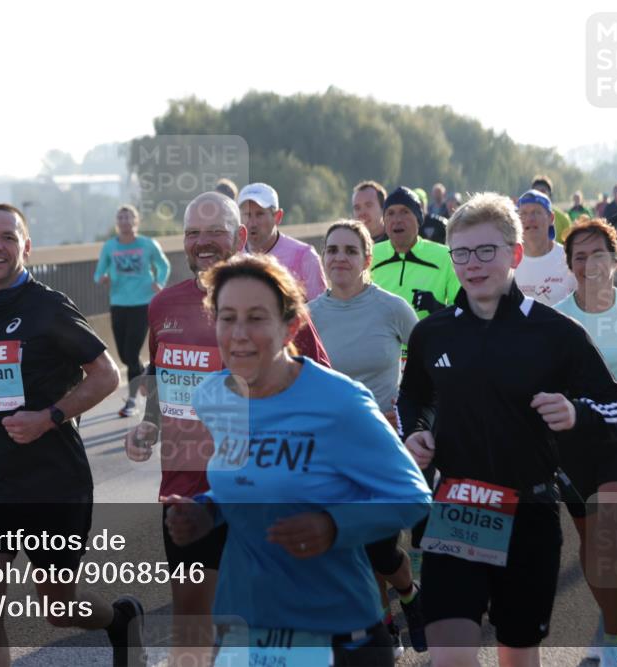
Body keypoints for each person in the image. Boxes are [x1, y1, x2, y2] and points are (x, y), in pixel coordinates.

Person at [397, 192, 617, 667]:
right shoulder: (433, 332)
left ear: (516, 253)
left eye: (487, 250)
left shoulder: (557, 333)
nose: (473, 263)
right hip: (458, 506)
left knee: (517, 657)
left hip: (530, 513)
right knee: (450, 658)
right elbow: (413, 398)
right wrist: (416, 432)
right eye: (461, 253)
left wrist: (576, 413)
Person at [0, 204, 145, 667]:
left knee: (59, 608)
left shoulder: (48, 307)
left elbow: (106, 374)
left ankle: (120, 619)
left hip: (52, 480)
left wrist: (49, 417)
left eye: (8, 237)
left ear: (27, 247)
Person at [163, 254, 431, 667]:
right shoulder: (212, 396)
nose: (239, 334)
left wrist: (333, 525)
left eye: (256, 318)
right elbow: (249, 479)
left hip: (337, 632)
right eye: (227, 318)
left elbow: (412, 496)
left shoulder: (339, 400)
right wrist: (208, 511)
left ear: (290, 327)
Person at [124, 192, 329, 667]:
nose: (203, 242)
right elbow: (161, 375)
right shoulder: (164, 305)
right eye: (193, 233)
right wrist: (150, 425)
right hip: (186, 489)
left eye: (215, 231)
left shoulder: (276, 301)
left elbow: (322, 385)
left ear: (239, 235)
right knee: (192, 620)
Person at [309, 221, 424, 654]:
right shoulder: (307, 315)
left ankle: (409, 593)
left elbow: (429, 368)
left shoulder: (392, 308)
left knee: (380, 549)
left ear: (366, 258)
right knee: (352, 547)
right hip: (329, 449)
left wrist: (407, 411)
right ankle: (384, 626)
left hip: (381, 444)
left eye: (350, 250)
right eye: (332, 249)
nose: (339, 257)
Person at [554, 218, 617, 667]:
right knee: (592, 546)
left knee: (610, 538)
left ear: (616, 260)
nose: (589, 263)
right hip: (574, 442)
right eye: (580, 256)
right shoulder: (555, 318)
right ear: (570, 265)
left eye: (598, 253)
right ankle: (608, 616)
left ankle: (610, 640)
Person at [94, 204, 171, 418]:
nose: (125, 221)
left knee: (131, 352)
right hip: (118, 303)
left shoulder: (147, 244)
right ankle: (144, 372)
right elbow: (98, 273)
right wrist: (102, 278)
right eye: (121, 217)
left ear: (135, 221)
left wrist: (159, 282)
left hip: (143, 303)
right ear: (117, 223)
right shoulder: (110, 246)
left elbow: (163, 265)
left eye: (128, 217)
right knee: (124, 355)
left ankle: (131, 401)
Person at [371, 186, 460, 320]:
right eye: (390, 213)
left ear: (419, 219)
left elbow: (462, 310)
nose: (397, 219)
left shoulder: (445, 256)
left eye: (405, 212)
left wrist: (438, 307)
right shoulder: (370, 255)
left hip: (430, 334)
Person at [238, 182, 326, 300]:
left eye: (260, 214)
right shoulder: (231, 256)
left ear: (277, 217)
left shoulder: (305, 256)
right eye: (247, 215)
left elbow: (320, 308)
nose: (252, 223)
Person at [513, 190, 577, 306]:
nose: (530, 219)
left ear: (551, 218)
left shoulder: (569, 259)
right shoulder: (509, 262)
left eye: (537, 212)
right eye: (524, 213)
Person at [530, 175, 572, 243]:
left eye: (543, 191)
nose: (539, 195)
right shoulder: (525, 218)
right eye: (536, 192)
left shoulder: (563, 219)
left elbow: (569, 245)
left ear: (550, 194)